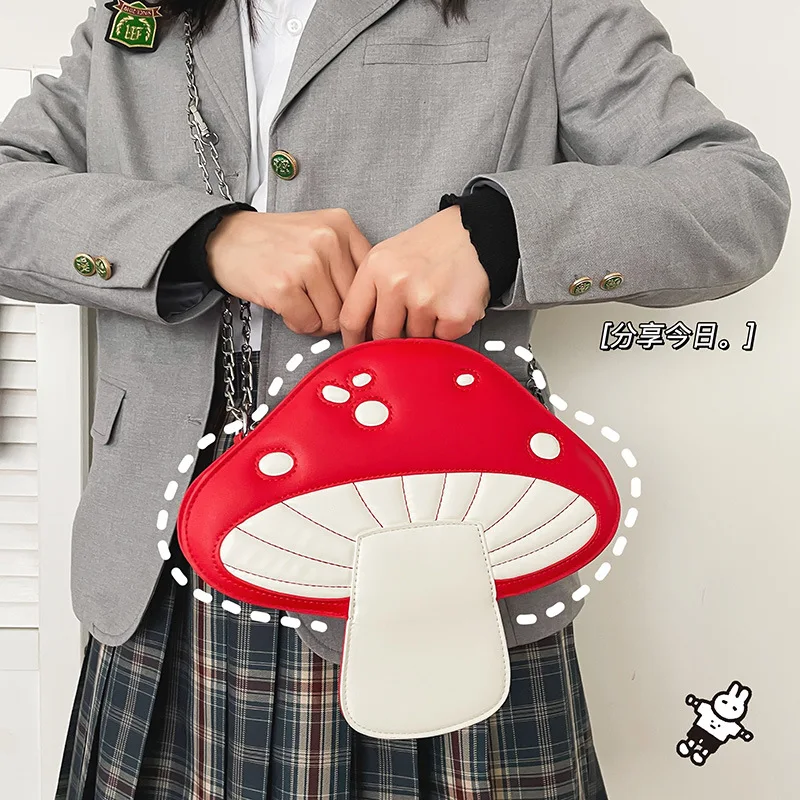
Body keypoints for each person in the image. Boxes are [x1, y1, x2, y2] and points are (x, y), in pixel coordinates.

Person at [0, 0, 789, 797]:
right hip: (165, 572)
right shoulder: (137, 15)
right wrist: (205, 238)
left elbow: (738, 198)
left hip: (435, 562)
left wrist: (496, 233)